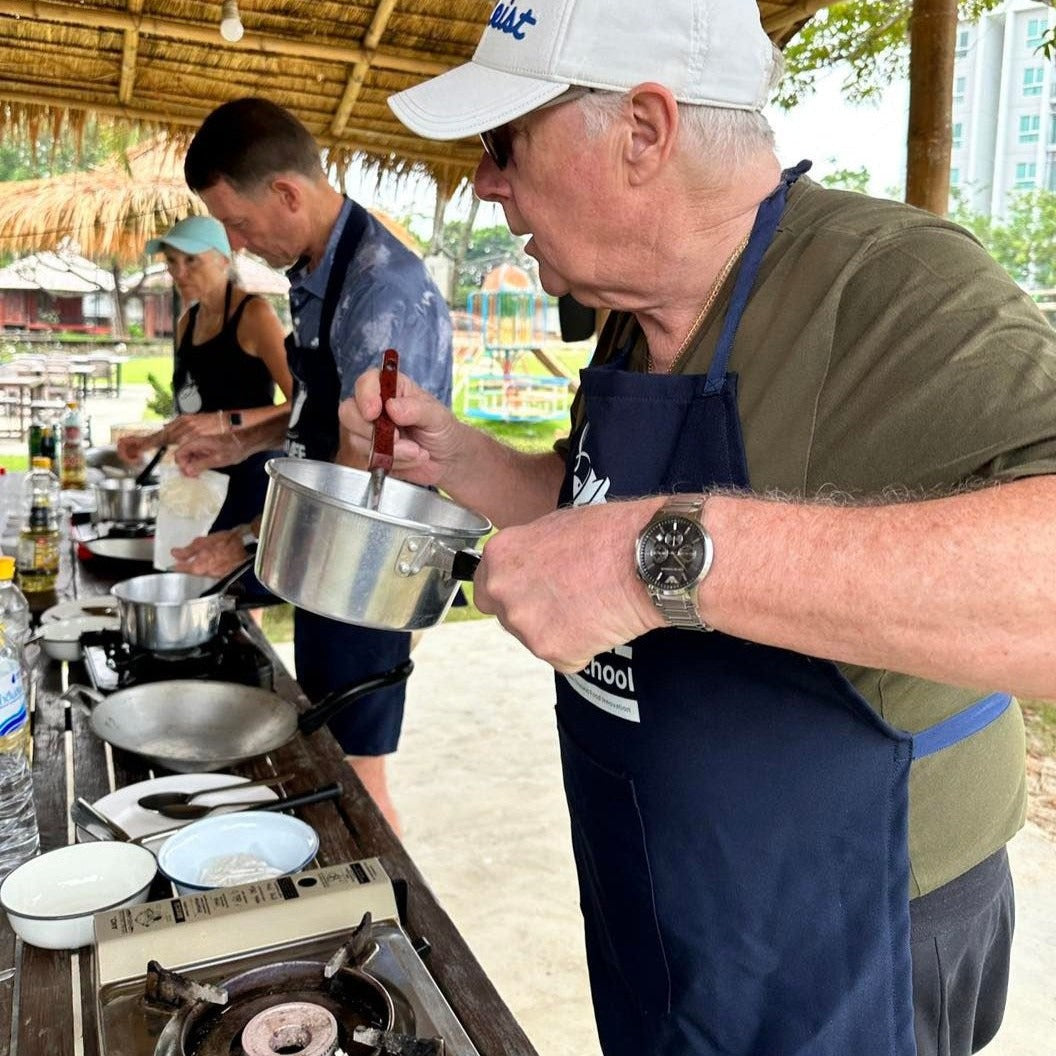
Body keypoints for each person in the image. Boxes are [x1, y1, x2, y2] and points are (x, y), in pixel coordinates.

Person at [337, 1, 1056, 1054]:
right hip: (658, 893)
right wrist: (463, 461)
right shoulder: (634, 317)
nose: (486, 181)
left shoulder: (889, 283)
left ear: (643, 131)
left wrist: (656, 559)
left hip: (848, 927)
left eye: (506, 143)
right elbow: (595, 501)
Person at [171, 98, 453, 833]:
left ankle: (402, 930)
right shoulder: (317, 269)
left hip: (368, 567)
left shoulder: (382, 291)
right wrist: (242, 439)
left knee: (358, 778)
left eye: (236, 222)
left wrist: (249, 540)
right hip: (326, 559)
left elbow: (372, 469)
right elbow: (319, 415)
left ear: (288, 193)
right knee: (328, 753)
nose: (234, 240)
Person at [117, 215, 292, 536]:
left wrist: (228, 421)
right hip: (199, 473)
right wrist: (150, 441)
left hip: (249, 473)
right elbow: (195, 410)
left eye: (192, 260)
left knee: (231, 575)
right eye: (171, 261)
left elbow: (300, 403)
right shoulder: (188, 321)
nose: (179, 272)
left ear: (224, 260)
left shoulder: (254, 315)